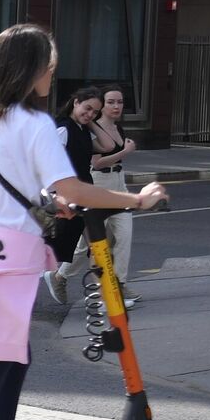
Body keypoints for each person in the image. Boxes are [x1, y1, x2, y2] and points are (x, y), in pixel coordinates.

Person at [0, 25, 167, 420]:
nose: (52, 72)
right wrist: (136, 200)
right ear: (31, 70)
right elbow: (72, 186)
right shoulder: (36, 125)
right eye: (48, 64)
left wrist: (48, 202)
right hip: (14, 259)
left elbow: (9, 187)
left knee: (14, 358)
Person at [65, 82, 140, 303]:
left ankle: (120, 285)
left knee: (124, 236)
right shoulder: (89, 128)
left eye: (120, 102)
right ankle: (60, 275)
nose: (116, 106)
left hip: (119, 182)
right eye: (111, 102)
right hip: (99, 183)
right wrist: (125, 151)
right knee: (91, 243)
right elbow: (96, 163)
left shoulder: (117, 128)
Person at [40, 85, 102, 302]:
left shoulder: (83, 129)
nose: (90, 114)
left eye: (95, 112)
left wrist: (90, 121)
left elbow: (108, 144)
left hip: (83, 194)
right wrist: (54, 196)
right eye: (87, 108)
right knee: (46, 248)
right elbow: (47, 163)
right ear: (75, 102)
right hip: (69, 197)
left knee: (99, 244)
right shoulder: (64, 129)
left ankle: (103, 296)